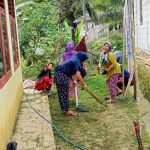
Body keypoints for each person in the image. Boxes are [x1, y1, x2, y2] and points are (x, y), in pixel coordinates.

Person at [54, 52, 88, 116]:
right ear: (82, 58)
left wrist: (72, 81)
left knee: (64, 92)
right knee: (63, 93)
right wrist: (84, 84)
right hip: (61, 75)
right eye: (84, 59)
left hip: (60, 74)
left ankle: (66, 108)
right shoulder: (77, 61)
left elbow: (68, 72)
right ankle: (67, 110)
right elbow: (78, 74)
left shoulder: (74, 59)